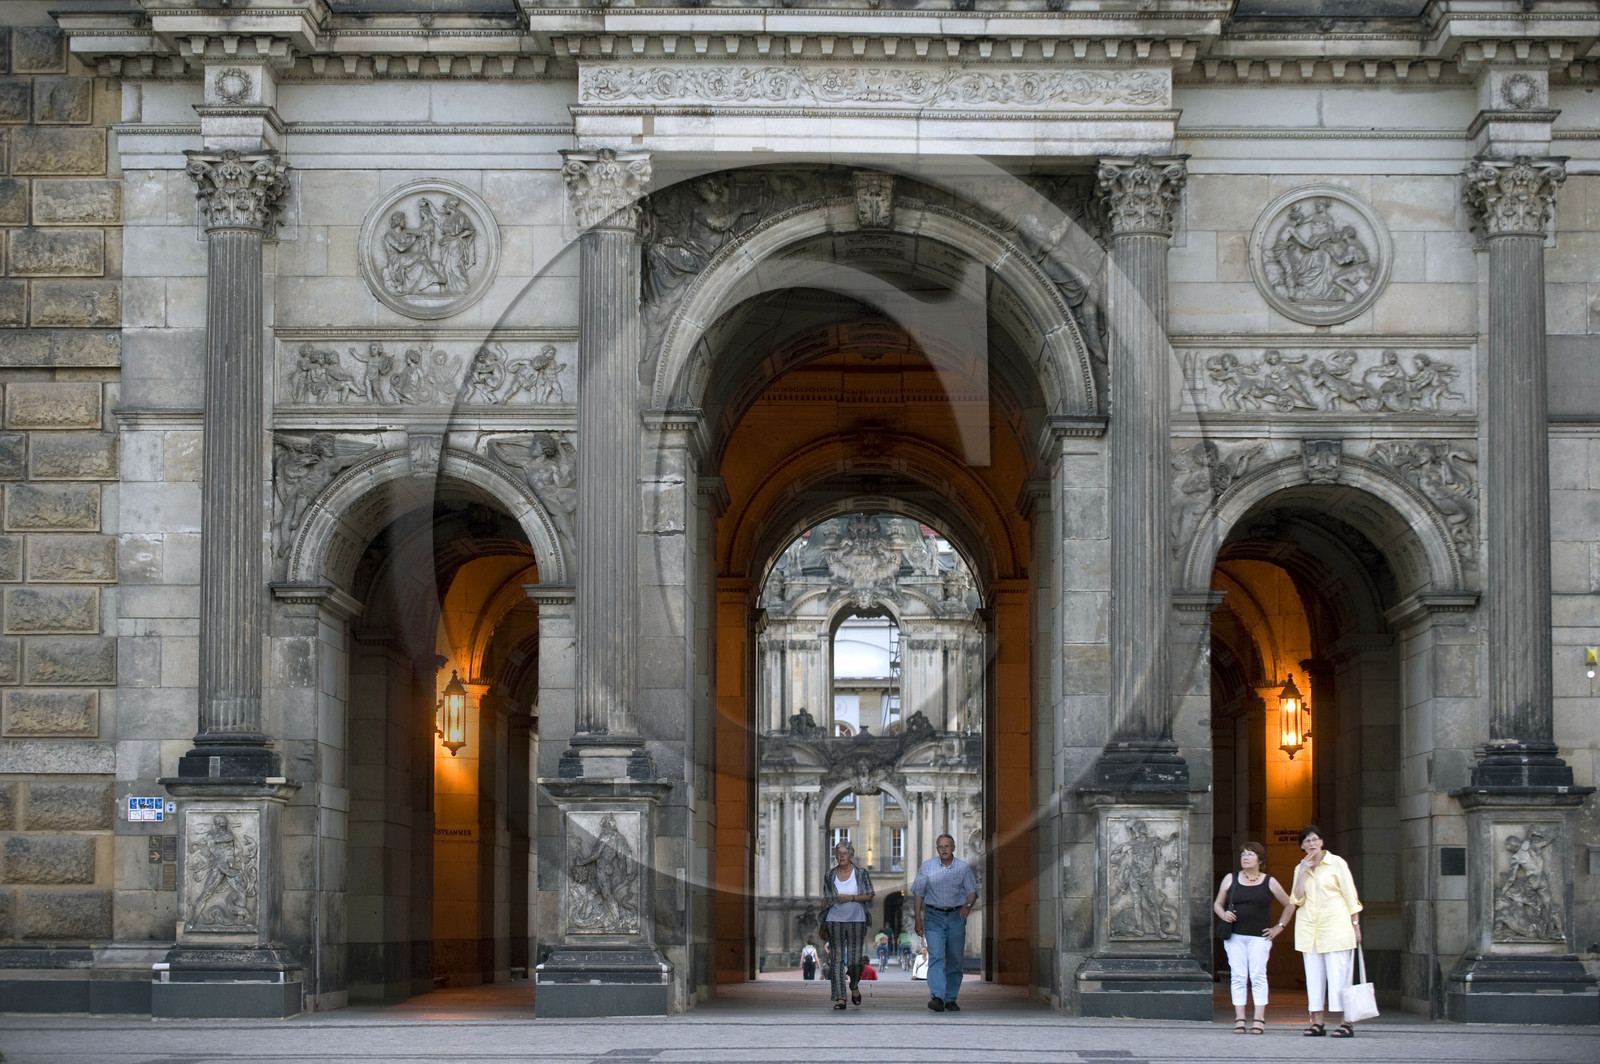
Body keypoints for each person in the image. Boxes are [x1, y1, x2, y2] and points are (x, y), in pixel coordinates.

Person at [1289, 825, 1364, 1038]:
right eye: (1306, 841)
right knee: (1314, 978)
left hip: (1336, 928)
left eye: (1314, 839)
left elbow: (1350, 895)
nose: (1311, 844)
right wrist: (1303, 871)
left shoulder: (1337, 863)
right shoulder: (1299, 868)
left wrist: (1355, 925)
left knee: (1339, 976)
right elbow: (1297, 899)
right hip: (1309, 931)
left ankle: (1346, 1022)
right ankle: (1317, 1022)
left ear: (1322, 841)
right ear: (1302, 846)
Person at [1214, 841, 1295, 1034]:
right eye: (1243, 855)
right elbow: (1218, 904)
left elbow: (1289, 904)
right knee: (1238, 976)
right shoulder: (1230, 878)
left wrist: (1279, 927)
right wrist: (1223, 914)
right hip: (1234, 936)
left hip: (1260, 937)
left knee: (1258, 975)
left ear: (1260, 859)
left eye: (1250, 854)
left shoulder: (1269, 881)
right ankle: (1239, 1018)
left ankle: (1259, 1019)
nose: (1245, 858)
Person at [912, 833, 978, 1013]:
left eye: (946, 846)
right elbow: (918, 893)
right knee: (936, 957)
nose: (943, 849)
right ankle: (938, 997)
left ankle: (951, 998)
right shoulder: (927, 867)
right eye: (940, 847)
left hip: (957, 916)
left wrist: (968, 905)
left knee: (955, 959)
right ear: (937, 849)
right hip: (933, 915)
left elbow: (972, 891)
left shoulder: (962, 868)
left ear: (953, 848)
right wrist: (918, 918)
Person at [821, 842, 874, 1010]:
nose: (842, 856)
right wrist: (821, 923)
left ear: (851, 855)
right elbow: (826, 898)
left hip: (856, 919)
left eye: (845, 853)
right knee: (836, 960)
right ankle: (840, 998)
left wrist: (851, 898)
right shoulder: (830, 875)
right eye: (839, 853)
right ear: (836, 856)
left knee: (855, 960)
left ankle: (854, 985)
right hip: (834, 919)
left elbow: (870, 894)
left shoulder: (860, 873)